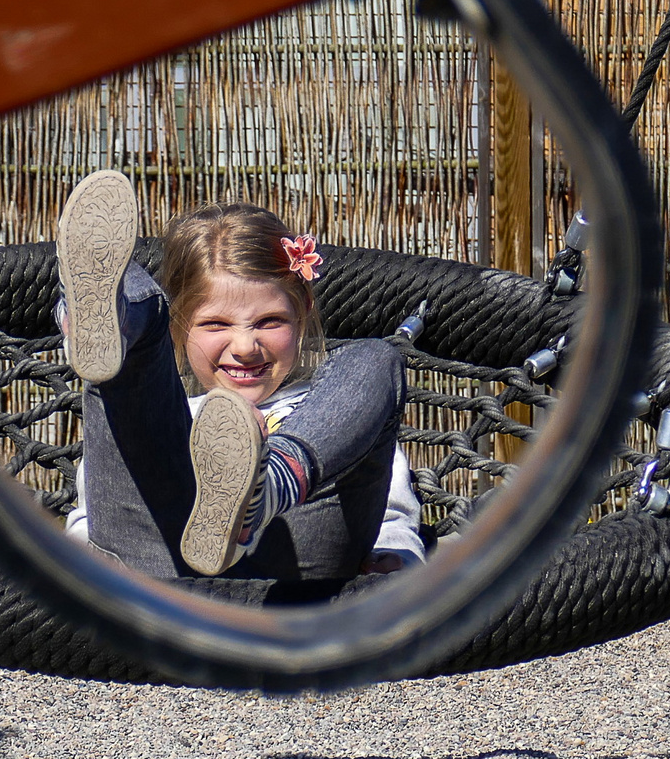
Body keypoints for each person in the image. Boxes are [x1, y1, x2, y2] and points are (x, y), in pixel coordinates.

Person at [57, 169, 424, 581]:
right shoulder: (158, 416)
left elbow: (387, 508)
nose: (246, 346)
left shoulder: (331, 410)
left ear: (302, 311)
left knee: (376, 359)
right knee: (132, 302)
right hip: (154, 572)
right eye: (216, 325)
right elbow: (96, 511)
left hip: (297, 579)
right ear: (180, 326)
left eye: (269, 321)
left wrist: (400, 554)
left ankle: (269, 489)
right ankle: (108, 321)